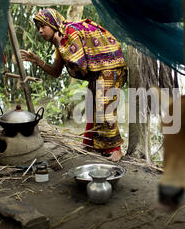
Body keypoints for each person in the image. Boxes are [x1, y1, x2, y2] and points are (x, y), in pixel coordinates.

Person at [20, 8, 127, 162]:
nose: (40, 31)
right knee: (91, 104)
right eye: (38, 28)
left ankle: (116, 149)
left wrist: (60, 45)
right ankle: (90, 143)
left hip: (110, 63)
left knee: (104, 104)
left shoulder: (70, 32)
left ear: (53, 23)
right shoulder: (61, 43)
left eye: (43, 26)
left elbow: (80, 64)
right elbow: (56, 72)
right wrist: (38, 61)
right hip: (98, 68)